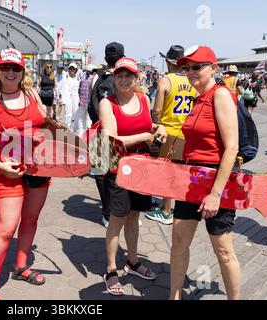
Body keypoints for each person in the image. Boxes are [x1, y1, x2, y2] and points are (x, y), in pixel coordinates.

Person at [0, 48, 50, 300]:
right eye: (5, 67)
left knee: (30, 220)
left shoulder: (32, 94)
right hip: (8, 173)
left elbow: (47, 124)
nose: (10, 72)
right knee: (6, 228)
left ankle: (21, 266)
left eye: (15, 68)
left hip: (39, 169)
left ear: (22, 72)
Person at [171, 46, 241, 300]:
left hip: (215, 179)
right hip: (191, 178)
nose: (190, 72)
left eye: (197, 66)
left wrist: (215, 194)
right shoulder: (198, 97)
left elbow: (231, 147)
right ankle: (174, 296)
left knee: (222, 249)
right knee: (178, 240)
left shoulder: (220, 94)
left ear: (213, 68)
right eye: (186, 68)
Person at [100, 57, 166, 295]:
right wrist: (144, 137)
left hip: (142, 167)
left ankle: (133, 261)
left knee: (134, 215)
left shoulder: (143, 98)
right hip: (118, 167)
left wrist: (158, 130)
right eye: (120, 75)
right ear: (114, 78)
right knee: (117, 218)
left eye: (129, 75)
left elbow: (148, 127)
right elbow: (111, 140)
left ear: (136, 78)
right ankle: (110, 269)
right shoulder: (108, 103)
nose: (124, 79)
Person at [145, 45, 197, 225]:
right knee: (179, 170)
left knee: (167, 171)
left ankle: (166, 211)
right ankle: (172, 206)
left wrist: (154, 124)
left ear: (168, 62)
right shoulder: (193, 80)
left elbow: (157, 110)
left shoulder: (166, 80)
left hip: (167, 132)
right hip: (187, 133)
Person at [88, 42, 125, 228]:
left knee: (100, 174)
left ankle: (107, 212)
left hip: (97, 131)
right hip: (119, 134)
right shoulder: (125, 79)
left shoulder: (96, 77)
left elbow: (89, 105)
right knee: (114, 175)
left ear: (105, 59)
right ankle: (113, 212)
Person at [77, 64, 97, 135]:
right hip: (89, 103)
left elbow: (79, 90)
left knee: (81, 119)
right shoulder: (93, 78)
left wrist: (79, 99)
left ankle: (80, 134)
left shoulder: (83, 78)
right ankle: (88, 135)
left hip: (82, 102)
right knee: (88, 119)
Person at [61, 63, 80, 132]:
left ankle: (74, 129)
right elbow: (63, 89)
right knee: (68, 114)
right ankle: (67, 129)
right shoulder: (65, 77)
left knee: (76, 113)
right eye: (70, 68)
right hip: (68, 98)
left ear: (75, 70)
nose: (71, 70)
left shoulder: (78, 78)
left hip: (76, 98)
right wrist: (62, 100)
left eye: (73, 69)